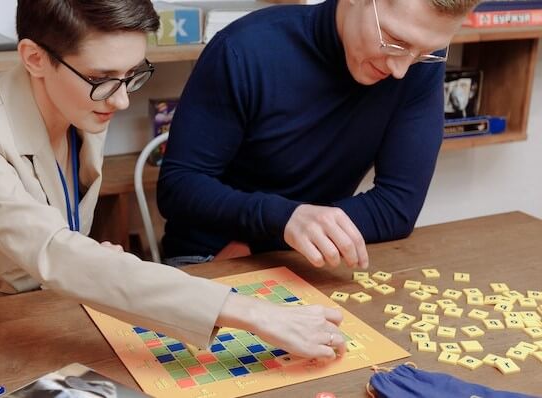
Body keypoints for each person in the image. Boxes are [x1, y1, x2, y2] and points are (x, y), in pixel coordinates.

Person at [0, 0, 345, 359]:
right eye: (102, 78)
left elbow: (62, 241)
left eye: (132, 73)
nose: (121, 99)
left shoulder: (86, 99)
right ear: (35, 58)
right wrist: (254, 313)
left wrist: (89, 255)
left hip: (42, 305)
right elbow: (54, 250)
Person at [157, 0, 480, 268]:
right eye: (394, 41)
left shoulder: (418, 65)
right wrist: (281, 220)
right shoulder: (245, 48)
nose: (401, 69)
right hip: (210, 255)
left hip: (305, 254)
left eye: (427, 50)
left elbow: (397, 209)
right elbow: (178, 188)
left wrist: (267, 239)